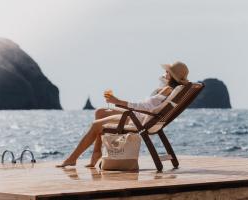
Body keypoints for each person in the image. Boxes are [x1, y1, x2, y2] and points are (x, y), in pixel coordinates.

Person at [56, 61, 189, 168]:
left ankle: (72, 159)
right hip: (142, 116)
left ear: (172, 75)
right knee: (100, 112)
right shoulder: (171, 89)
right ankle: (96, 154)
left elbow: (144, 106)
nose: (164, 73)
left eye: (167, 72)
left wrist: (118, 101)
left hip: (138, 119)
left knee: (96, 125)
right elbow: (150, 105)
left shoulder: (167, 90)